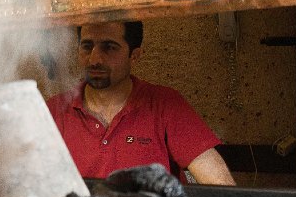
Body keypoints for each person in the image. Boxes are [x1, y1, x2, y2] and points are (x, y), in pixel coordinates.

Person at [46, 20, 235, 185]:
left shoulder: (165, 104)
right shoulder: (54, 110)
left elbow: (220, 184)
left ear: (134, 55)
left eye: (109, 47)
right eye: (87, 46)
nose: (95, 59)